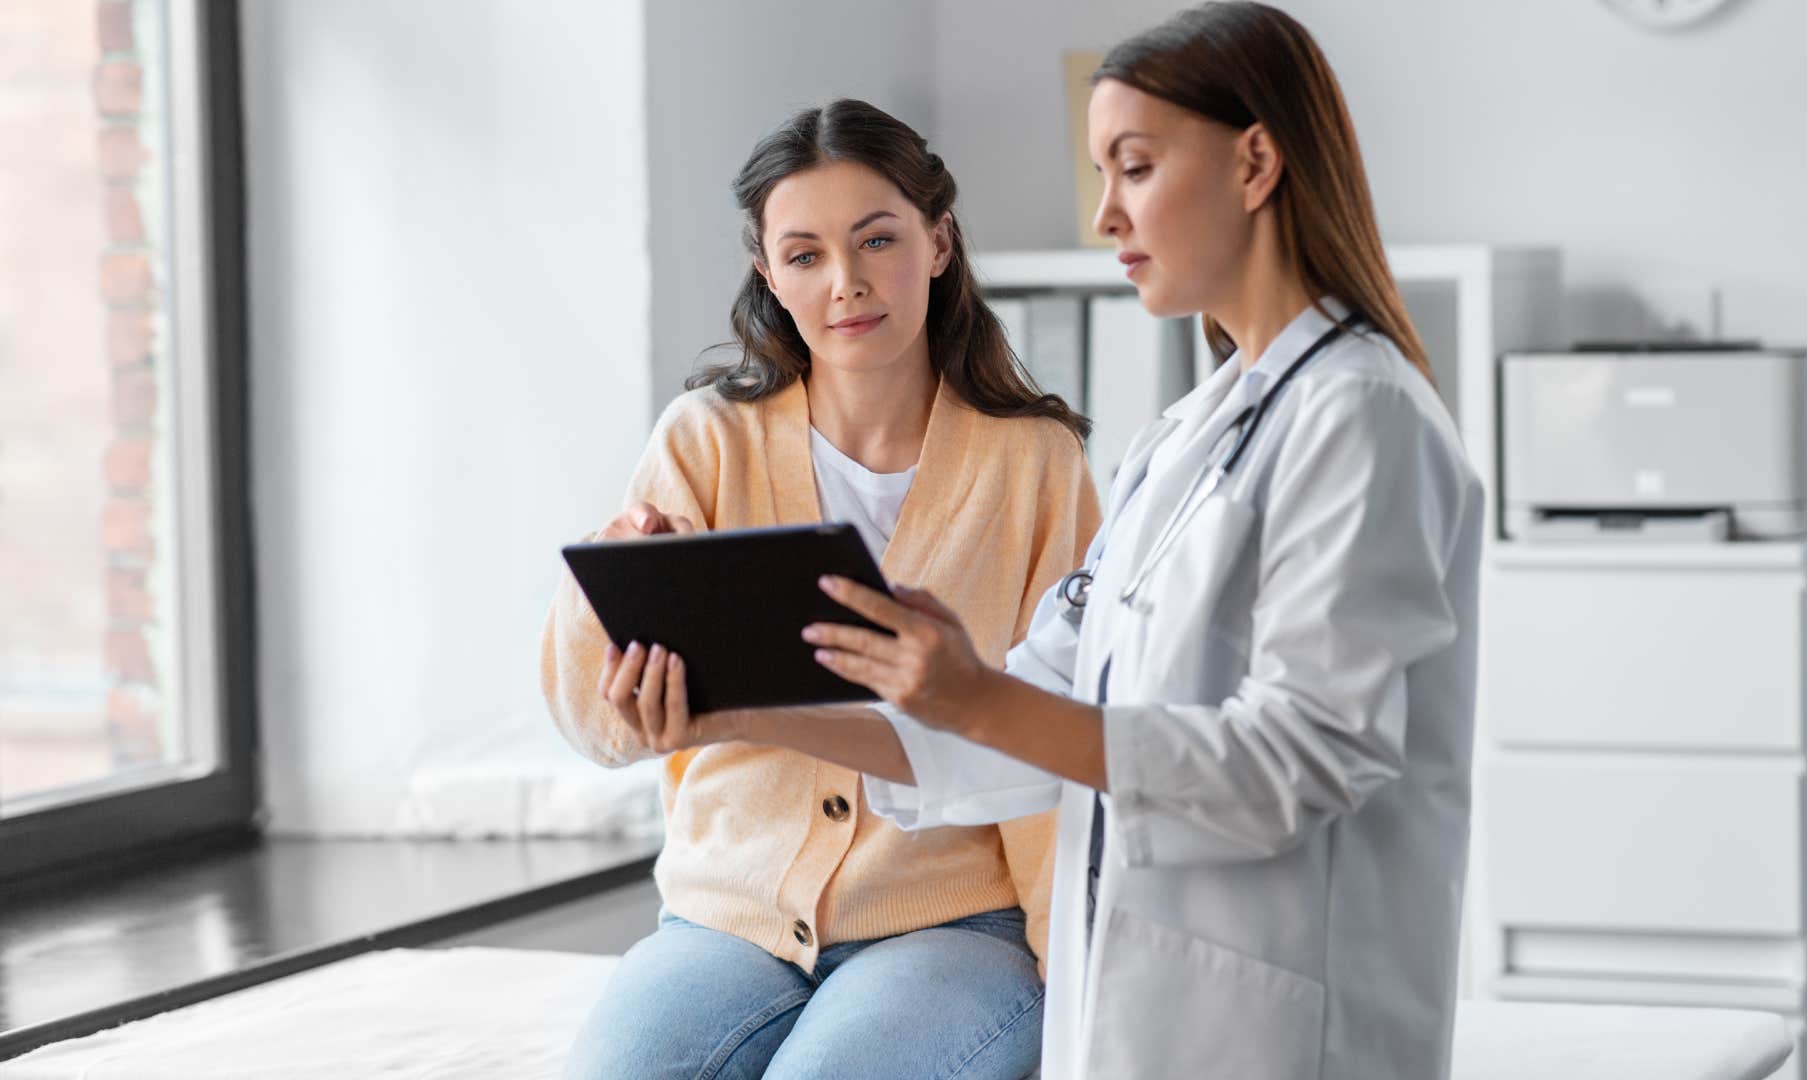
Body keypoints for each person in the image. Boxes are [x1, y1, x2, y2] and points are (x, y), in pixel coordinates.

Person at [626, 6, 1484, 1077]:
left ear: (1256, 160)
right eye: (1102, 174)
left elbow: (1303, 758)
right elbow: (1019, 718)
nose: (1106, 214)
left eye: (1133, 168)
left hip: (1288, 1013)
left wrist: (978, 698)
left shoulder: (1362, 417)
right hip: (1148, 996)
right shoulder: (1184, 437)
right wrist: (797, 700)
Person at [541, 99, 1099, 1080]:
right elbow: (599, 726)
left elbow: (1057, 730)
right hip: (731, 914)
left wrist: (1078, 980)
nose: (846, 283)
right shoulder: (705, 438)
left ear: (937, 241)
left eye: (877, 240)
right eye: (804, 256)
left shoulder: (1036, 465)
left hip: (953, 924)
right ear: (769, 273)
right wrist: (610, 596)